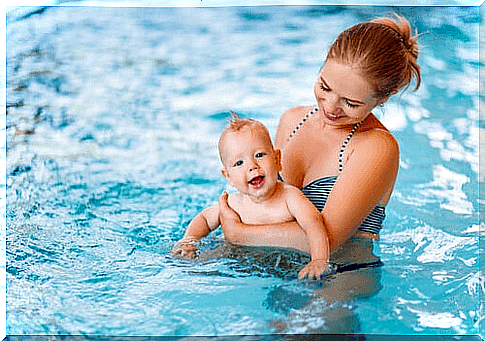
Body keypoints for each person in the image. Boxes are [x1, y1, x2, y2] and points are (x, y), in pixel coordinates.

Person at [217, 14, 421, 264]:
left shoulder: (376, 147)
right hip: (273, 263)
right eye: (325, 87)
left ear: (382, 99)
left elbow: (329, 240)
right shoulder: (292, 120)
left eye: (351, 103)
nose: (331, 107)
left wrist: (239, 233)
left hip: (340, 275)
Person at [171, 113, 331, 280]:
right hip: (235, 260)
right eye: (239, 163)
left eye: (259, 155)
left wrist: (319, 260)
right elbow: (204, 218)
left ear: (277, 159)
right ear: (228, 177)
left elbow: (314, 224)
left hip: (285, 264)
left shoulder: (290, 198)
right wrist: (189, 241)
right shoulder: (233, 204)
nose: (252, 166)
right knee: (194, 267)